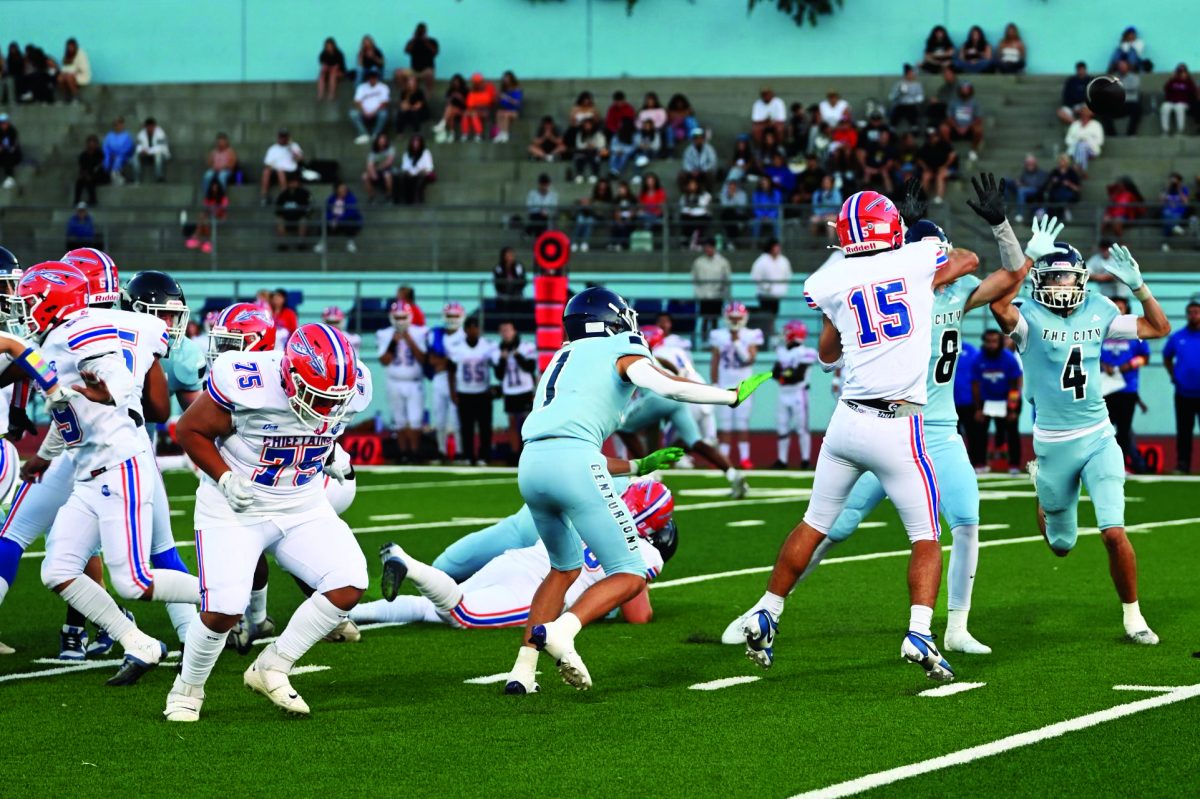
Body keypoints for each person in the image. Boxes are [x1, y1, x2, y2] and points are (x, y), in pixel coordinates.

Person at [732, 188, 981, 680]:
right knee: (926, 536)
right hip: (899, 425)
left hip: (846, 421)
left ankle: (768, 609)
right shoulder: (915, 258)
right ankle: (920, 632)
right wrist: (914, 241)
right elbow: (968, 258)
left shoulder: (830, 277)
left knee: (814, 522)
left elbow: (827, 355)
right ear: (891, 227)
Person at [501, 287, 769, 694]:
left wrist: (638, 466)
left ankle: (522, 669)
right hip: (576, 461)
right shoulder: (618, 345)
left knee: (563, 569)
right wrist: (728, 396)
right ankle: (563, 631)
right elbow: (666, 386)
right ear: (612, 320)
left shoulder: (560, 358)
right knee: (629, 573)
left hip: (531, 464)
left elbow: (562, 432)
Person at [163, 322, 369, 721]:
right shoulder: (249, 382)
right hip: (235, 506)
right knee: (224, 608)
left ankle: (272, 665)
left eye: (334, 399)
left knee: (349, 581)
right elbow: (188, 429)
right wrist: (223, 476)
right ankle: (187, 687)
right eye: (317, 396)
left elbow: (315, 431)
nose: (325, 408)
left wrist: (329, 453)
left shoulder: (353, 390)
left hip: (302, 502)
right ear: (289, 378)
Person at [11, 262, 200, 683]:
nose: (24, 310)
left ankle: (221, 592)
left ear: (48, 302)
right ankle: (140, 643)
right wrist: (44, 454)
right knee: (58, 570)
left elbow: (111, 368)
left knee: (133, 581)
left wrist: (110, 388)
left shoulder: (73, 332)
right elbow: (66, 408)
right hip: (88, 472)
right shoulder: (57, 337)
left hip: (120, 467)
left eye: (28, 302)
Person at [989, 237, 1170, 645]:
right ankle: (1044, 492)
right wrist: (1027, 257)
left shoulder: (1100, 308)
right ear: (1038, 279)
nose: (1060, 284)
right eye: (1051, 277)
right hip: (1053, 442)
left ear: (1082, 279)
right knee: (1061, 545)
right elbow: (998, 306)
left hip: (1098, 434)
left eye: (1067, 276)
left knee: (1113, 531)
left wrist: (1139, 287)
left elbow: (1159, 328)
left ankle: (1133, 617)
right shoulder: (1028, 315)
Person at [358, 480, 675, 629]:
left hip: (516, 560)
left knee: (429, 608)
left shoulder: (591, 505)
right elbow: (639, 617)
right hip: (538, 590)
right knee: (462, 615)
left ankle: (344, 616)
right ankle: (407, 563)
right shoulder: (646, 552)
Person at [614, 325, 747, 498]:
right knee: (695, 441)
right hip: (677, 399)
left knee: (624, 427)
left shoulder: (633, 356)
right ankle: (733, 474)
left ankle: (648, 472)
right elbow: (675, 372)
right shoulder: (658, 355)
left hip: (656, 397)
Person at [710, 302, 763, 468]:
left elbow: (750, 359)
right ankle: (724, 459)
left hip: (744, 385)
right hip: (724, 384)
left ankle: (744, 458)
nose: (735, 321)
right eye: (732, 318)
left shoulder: (751, 334)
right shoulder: (718, 335)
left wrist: (737, 342)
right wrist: (714, 382)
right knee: (724, 424)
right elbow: (715, 361)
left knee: (742, 423)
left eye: (738, 318)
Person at [1102, 297, 1150, 473]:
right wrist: (1101, 365)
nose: (1117, 310)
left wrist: (1130, 365)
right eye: (1114, 306)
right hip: (1104, 387)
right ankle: (1101, 464)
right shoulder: (1100, 330)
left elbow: (1145, 357)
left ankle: (1119, 465)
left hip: (1127, 387)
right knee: (1103, 428)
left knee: (1123, 429)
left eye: (1120, 307)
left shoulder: (1134, 333)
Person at [376, 301, 426, 460]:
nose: (400, 321)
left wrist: (409, 339)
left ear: (410, 317)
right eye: (397, 317)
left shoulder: (420, 332)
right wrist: (394, 342)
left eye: (403, 317)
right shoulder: (385, 334)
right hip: (394, 380)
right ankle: (403, 452)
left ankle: (415, 452)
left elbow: (423, 358)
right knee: (399, 420)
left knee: (415, 419)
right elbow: (384, 360)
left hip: (414, 381)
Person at [971, 329, 1023, 473]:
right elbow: (975, 385)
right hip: (985, 400)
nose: (991, 345)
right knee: (979, 433)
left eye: (994, 341)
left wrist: (1012, 409)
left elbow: (1015, 384)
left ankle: (1014, 466)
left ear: (1000, 342)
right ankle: (980, 464)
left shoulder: (1009, 359)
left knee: (1012, 432)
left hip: (1006, 400)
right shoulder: (978, 359)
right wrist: (977, 409)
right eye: (988, 341)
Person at [448, 317, 497, 466]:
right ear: (465, 330)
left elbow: (496, 366)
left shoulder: (487, 346)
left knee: (485, 427)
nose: (473, 331)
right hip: (465, 392)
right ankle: (468, 455)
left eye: (475, 327)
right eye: (470, 328)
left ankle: (484, 456)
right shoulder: (457, 348)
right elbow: (451, 370)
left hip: (482, 392)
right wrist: (453, 391)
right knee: (466, 427)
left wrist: (493, 386)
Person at [772, 321, 818, 469]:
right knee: (782, 427)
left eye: (787, 332)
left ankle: (805, 460)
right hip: (783, 393)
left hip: (799, 393)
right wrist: (786, 374)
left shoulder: (806, 352)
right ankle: (782, 460)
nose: (784, 336)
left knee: (802, 428)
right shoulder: (782, 351)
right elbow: (775, 373)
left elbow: (797, 376)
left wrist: (784, 375)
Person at [424, 303, 466, 460]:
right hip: (439, 380)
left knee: (457, 420)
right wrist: (446, 361)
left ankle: (460, 451)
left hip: (459, 380)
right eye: (450, 316)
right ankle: (441, 451)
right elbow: (432, 360)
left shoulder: (464, 336)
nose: (452, 320)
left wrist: (445, 362)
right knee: (439, 418)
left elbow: (456, 362)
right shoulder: (435, 334)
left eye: (455, 316)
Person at [493, 321, 538, 464]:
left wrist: (517, 355)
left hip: (524, 389)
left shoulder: (526, 347)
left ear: (514, 331)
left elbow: (530, 367)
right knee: (512, 423)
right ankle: (514, 453)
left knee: (526, 422)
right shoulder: (498, 350)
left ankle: (527, 452)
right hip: (510, 391)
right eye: (502, 331)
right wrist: (503, 359)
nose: (505, 334)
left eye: (508, 330)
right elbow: (499, 375)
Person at [1163, 300, 1200, 473]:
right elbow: (1167, 357)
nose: (1194, 315)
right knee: (1184, 431)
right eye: (1191, 312)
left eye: (1197, 312)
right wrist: (1174, 375)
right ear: (1187, 315)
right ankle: (1183, 464)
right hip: (1183, 392)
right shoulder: (1178, 337)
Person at [690, 238, 730, 333]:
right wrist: (699, 293)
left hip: (717, 295)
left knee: (715, 320)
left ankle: (714, 341)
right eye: (706, 247)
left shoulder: (723, 262)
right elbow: (694, 279)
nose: (708, 249)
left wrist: (725, 295)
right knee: (705, 319)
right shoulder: (698, 262)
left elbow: (726, 280)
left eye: (710, 247)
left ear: (714, 248)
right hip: (704, 296)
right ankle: (703, 340)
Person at [750, 238, 791, 324]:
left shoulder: (783, 260)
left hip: (776, 296)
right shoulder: (762, 261)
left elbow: (788, 275)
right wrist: (766, 287)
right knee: (765, 317)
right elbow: (755, 276)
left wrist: (783, 289)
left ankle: (770, 333)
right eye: (775, 246)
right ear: (770, 248)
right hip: (764, 295)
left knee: (774, 315)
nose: (777, 248)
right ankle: (766, 335)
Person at [943, 81, 984, 162]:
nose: (965, 91)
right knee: (943, 128)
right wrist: (957, 127)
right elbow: (949, 118)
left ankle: (973, 151)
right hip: (955, 127)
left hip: (969, 128)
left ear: (970, 90)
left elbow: (979, 119)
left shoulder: (975, 103)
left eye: (967, 89)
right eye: (963, 89)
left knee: (979, 130)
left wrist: (967, 127)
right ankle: (949, 150)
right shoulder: (953, 102)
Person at [260, 129, 303, 204]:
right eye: (281, 137)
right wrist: (274, 168)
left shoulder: (294, 146)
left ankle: (285, 197)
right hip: (276, 171)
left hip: (291, 171)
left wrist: (291, 148)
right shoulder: (273, 149)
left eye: (284, 137)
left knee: (280, 172)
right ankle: (264, 196)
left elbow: (300, 159)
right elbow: (267, 164)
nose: (283, 139)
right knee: (266, 172)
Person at [316, 182, 362, 253]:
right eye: (341, 189)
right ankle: (322, 242)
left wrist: (338, 220)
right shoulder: (332, 198)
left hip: (345, 219)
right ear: (337, 190)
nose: (343, 191)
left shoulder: (351, 198)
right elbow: (327, 210)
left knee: (350, 222)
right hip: (334, 220)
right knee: (323, 222)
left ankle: (350, 242)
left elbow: (351, 212)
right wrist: (331, 219)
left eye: (344, 189)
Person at [917, 125, 957, 204]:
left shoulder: (944, 144)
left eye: (934, 136)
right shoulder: (926, 146)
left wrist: (944, 166)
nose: (932, 138)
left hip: (949, 168)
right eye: (930, 136)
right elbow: (919, 159)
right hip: (932, 169)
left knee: (940, 175)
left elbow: (952, 156)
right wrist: (925, 167)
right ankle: (922, 198)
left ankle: (939, 198)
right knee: (925, 176)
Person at [349, 68, 390, 145]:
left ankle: (376, 134)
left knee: (384, 114)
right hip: (364, 111)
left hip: (377, 111)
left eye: (374, 77)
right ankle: (364, 134)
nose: (372, 79)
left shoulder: (383, 87)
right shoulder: (362, 87)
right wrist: (364, 111)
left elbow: (385, 103)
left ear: (377, 77)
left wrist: (374, 112)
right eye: (370, 77)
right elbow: (357, 102)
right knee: (353, 113)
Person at [186, 179, 227, 254]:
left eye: (216, 187)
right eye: (213, 187)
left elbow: (223, 211)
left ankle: (196, 237)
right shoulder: (208, 198)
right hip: (209, 217)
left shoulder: (223, 199)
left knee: (204, 219)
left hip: (219, 217)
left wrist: (214, 211)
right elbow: (205, 209)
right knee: (203, 217)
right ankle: (206, 242)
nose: (214, 189)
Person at [572, 178, 613, 252]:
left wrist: (597, 211)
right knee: (580, 219)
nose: (601, 191)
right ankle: (574, 242)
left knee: (590, 220)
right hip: (590, 215)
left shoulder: (609, 200)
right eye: (600, 189)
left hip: (600, 219)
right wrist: (585, 204)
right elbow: (589, 209)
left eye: (603, 189)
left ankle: (585, 242)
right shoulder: (593, 198)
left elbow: (604, 214)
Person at [273, 173, 311, 251]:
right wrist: (281, 215)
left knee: (303, 221)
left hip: (299, 217)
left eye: (295, 182)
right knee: (279, 221)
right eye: (291, 182)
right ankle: (283, 244)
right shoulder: (283, 194)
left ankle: (301, 243)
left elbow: (309, 206)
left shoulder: (304, 193)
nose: (293, 184)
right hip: (286, 217)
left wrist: (304, 214)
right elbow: (278, 208)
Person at [401, 22, 439, 95]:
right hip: (414, 70)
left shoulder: (432, 41)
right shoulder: (412, 42)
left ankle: (428, 95)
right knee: (398, 73)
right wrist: (414, 39)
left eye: (422, 31)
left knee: (429, 73)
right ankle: (406, 92)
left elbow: (435, 52)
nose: (421, 33)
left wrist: (425, 41)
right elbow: (406, 51)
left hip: (427, 69)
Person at [1160, 63, 1197, 136]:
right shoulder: (1173, 80)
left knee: (1179, 107)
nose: (1181, 73)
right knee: (1165, 107)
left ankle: (1180, 131)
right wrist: (1171, 79)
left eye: (1183, 71)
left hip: (1183, 103)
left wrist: (1187, 80)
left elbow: (1193, 91)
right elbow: (1166, 88)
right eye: (1179, 71)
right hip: (1171, 102)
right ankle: (1165, 130)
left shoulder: (1188, 81)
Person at [1065, 106, 1104, 173]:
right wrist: (1078, 141)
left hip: (1091, 150)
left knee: (1083, 145)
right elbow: (1068, 140)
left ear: (1091, 113)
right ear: (1080, 113)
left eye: (1087, 111)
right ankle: (1083, 169)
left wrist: (1087, 140)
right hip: (1075, 149)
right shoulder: (1074, 124)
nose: (1085, 113)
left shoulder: (1096, 125)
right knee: (1080, 145)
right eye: (1083, 111)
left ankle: (1077, 166)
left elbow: (1100, 141)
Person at [397, 134, 434, 205]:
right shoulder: (407, 154)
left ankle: (417, 199)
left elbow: (429, 167)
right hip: (410, 175)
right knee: (401, 176)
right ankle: (403, 199)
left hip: (422, 174)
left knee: (421, 177)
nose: (415, 144)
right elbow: (404, 167)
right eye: (414, 142)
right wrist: (409, 173)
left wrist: (420, 171)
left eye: (417, 142)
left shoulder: (426, 153)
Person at [1009, 153, 1047, 222]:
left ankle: (1020, 214)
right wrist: (1019, 183)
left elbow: (1040, 185)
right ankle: (1007, 208)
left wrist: (1024, 185)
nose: (1029, 164)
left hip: (1037, 192)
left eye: (1031, 162)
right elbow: (1021, 182)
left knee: (1021, 191)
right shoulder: (1025, 173)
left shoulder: (1041, 173)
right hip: (1025, 192)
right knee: (1007, 182)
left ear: (1035, 163)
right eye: (1028, 163)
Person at [678, 128, 717, 192]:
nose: (698, 140)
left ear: (703, 139)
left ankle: (707, 193)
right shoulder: (688, 150)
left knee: (710, 174)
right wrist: (692, 170)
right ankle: (686, 193)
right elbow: (686, 163)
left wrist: (702, 170)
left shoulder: (709, 149)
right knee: (682, 175)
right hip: (692, 172)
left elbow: (712, 162)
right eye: (696, 138)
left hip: (704, 172)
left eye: (700, 138)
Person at [1111, 59, 1143, 136]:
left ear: (1127, 67)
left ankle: (1131, 133)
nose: (1121, 68)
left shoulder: (1134, 77)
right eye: (1120, 66)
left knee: (1138, 109)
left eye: (1123, 66)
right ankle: (1112, 134)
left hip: (1130, 103)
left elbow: (1134, 87)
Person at [132, 117, 170, 183]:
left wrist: (148, 151)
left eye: (151, 127)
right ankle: (137, 179)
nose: (150, 129)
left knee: (158, 156)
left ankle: (159, 177)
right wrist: (141, 150)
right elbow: (138, 146)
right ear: (145, 127)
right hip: (146, 155)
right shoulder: (141, 134)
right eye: (148, 127)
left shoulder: (161, 133)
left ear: (155, 126)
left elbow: (161, 147)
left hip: (161, 155)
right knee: (134, 156)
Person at [433, 73, 468, 144]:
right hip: (451, 110)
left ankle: (443, 123)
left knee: (451, 109)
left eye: (457, 82)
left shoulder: (465, 90)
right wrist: (452, 97)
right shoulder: (450, 90)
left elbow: (467, 104)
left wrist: (460, 98)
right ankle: (451, 134)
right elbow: (447, 102)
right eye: (454, 82)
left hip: (463, 111)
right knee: (450, 111)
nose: (456, 84)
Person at [678, 177, 712, 249]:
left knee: (700, 221)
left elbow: (704, 206)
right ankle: (686, 242)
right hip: (689, 216)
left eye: (694, 184)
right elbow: (682, 208)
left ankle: (698, 242)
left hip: (702, 216)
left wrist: (693, 211)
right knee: (685, 218)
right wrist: (689, 211)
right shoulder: (684, 196)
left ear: (697, 185)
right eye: (690, 185)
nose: (692, 186)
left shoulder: (705, 195)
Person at [462, 73, 496, 142]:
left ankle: (478, 134)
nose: (478, 84)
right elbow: (470, 105)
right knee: (467, 114)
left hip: (487, 111)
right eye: (476, 83)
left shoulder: (489, 88)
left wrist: (480, 106)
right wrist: (477, 106)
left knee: (472, 113)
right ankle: (465, 134)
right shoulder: (472, 93)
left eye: (479, 82)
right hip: (475, 111)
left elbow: (492, 101)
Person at [362, 132, 396, 203]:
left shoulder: (390, 149)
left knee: (387, 175)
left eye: (383, 139)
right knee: (364, 176)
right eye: (380, 139)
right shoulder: (373, 152)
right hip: (375, 170)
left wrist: (376, 169)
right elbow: (369, 164)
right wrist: (372, 172)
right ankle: (372, 196)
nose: (382, 141)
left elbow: (389, 162)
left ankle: (389, 194)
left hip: (387, 169)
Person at [888, 64, 925, 129]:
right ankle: (892, 128)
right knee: (897, 110)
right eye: (909, 73)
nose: (911, 75)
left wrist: (913, 100)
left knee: (912, 110)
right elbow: (891, 97)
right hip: (900, 105)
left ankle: (914, 128)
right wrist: (899, 93)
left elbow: (920, 98)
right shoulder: (898, 84)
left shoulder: (917, 85)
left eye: (912, 73)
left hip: (912, 105)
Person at [572, 118, 607, 183]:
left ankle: (594, 175)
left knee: (596, 156)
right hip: (583, 151)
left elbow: (602, 144)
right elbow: (578, 145)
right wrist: (586, 146)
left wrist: (594, 146)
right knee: (578, 156)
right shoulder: (580, 134)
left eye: (589, 125)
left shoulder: (598, 134)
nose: (587, 127)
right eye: (586, 125)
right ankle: (579, 175)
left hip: (595, 151)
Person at [1160, 172, 1190, 249]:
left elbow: (1186, 202)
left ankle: (1165, 243)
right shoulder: (1167, 189)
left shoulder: (1183, 189)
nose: (1174, 183)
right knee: (1166, 215)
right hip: (1168, 212)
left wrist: (1179, 188)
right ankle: (1174, 227)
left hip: (1178, 212)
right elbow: (1161, 201)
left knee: (1167, 221)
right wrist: (1168, 188)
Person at [102, 116, 134, 185]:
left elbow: (128, 148)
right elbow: (105, 147)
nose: (118, 126)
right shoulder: (109, 136)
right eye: (116, 125)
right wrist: (110, 154)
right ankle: (109, 176)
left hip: (123, 156)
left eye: (119, 124)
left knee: (118, 159)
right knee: (106, 160)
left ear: (122, 125)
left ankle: (116, 174)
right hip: (110, 156)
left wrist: (118, 154)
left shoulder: (127, 136)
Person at [74, 134, 105, 205]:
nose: (91, 145)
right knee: (80, 182)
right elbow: (82, 167)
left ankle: (93, 200)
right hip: (87, 174)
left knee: (91, 180)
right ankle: (76, 201)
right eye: (89, 143)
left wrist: (91, 175)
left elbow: (99, 166)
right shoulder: (83, 155)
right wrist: (85, 175)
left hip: (99, 175)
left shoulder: (100, 154)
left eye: (93, 143)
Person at [717, 179, 749, 246]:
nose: (732, 188)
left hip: (739, 214)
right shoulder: (723, 194)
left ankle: (731, 241)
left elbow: (742, 207)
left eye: (733, 186)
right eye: (730, 186)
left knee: (731, 217)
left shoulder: (742, 194)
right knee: (728, 214)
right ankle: (732, 242)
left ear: (736, 186)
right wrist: (730, 197)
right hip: (728, 214)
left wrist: (734, 197)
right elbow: (724, 206)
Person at [749, 175, 782, 240]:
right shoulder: (756, 193)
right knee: (755, 223)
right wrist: (762, 216)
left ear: (769, 183)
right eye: (762, 182)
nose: (764, 184)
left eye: (766, 182)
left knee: (777, 223)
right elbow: (755, 207)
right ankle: (755, 244)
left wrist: (769, 216)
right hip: (759, 217)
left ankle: (778, 244)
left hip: (773, 217)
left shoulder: (776, 193)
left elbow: (776, 207)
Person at [56, 38, 89, 102]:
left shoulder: (81, 54)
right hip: (68, 75)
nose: (70, 49)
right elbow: (64, 68)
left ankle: (76, 97)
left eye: (72, 47)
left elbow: (83, 69)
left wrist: (72, 73)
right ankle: (66, 97)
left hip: (81, 75)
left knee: (69, 77)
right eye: (69, 47)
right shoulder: (67, 55)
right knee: (59, 78)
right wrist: (64, 74)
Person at [809, 175, 841, 240]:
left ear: (831, 183)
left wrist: (827, 214)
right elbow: (815, 207)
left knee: (829, 223)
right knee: (812, 220)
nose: (825, 184)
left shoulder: (836, 193)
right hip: (820, 216)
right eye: (824, 182)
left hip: (832, 215)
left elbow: (837, 206)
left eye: (827, 182)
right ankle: (814, 244)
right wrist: (822, 214)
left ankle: (831, 245)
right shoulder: (817, 193)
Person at [494, 71, 523, 143]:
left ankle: (505, 134)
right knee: (499, 113)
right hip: (505, 109)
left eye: (507, 78)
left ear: (511, 79)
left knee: (506, 114)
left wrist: (507, 98)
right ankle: (500, 133)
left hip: (515, 112)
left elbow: (517, 103)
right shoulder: (503, 90)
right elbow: (501, 103)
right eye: (505, 79)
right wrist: (498, 97)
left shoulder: (517, 89)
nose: (505, 80)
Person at [316, 37, 346, 102]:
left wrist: (329, 68)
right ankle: (320, 95)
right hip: (328, 72)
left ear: (333, 46)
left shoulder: (339, 54)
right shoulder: (323, 54)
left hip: (339, 72)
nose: (329, 47)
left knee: (332, 74)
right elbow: (323, 65)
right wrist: (324, 69)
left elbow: (337, 67)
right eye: (327, 46)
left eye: (330, 46)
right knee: (321, 76)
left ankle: (331, 95)